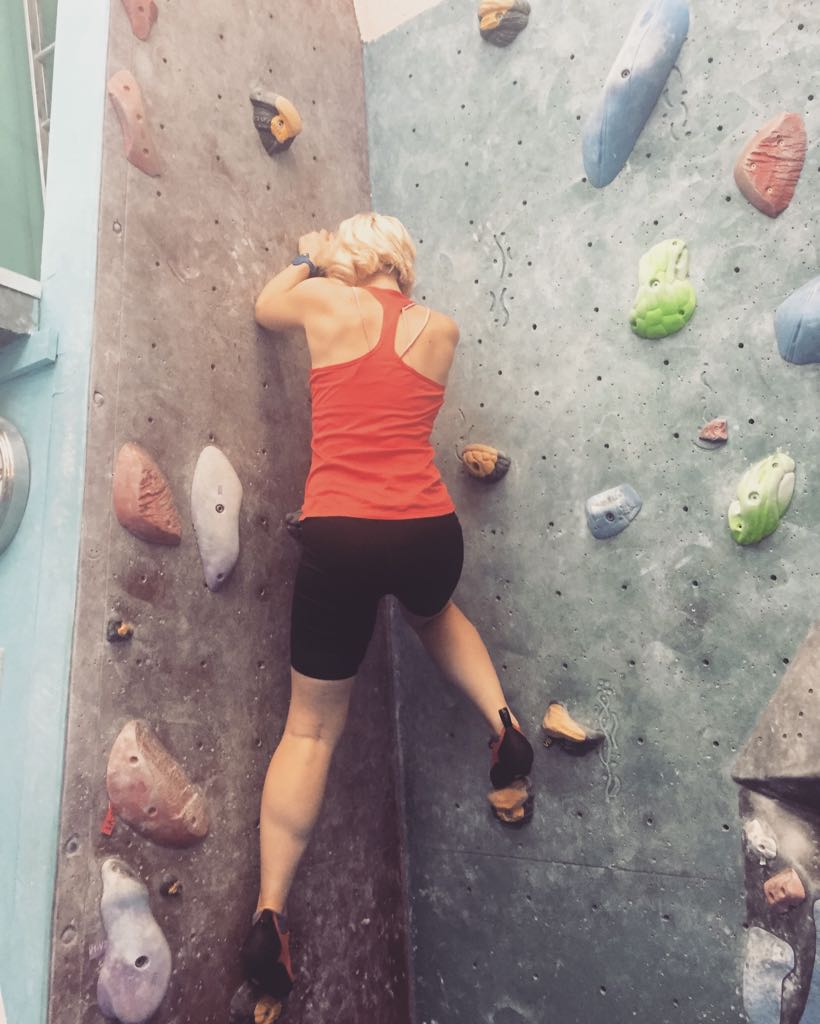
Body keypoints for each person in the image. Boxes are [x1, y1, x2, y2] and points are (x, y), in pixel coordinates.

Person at [241, 212, 534, 1005]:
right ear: (404, 263)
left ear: (350, 258)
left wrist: (305, 257)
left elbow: (266, 307)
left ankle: (270, 914)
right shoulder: (442, 328)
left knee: (309, 730)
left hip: (343, 532)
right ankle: (503, 725)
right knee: (436, 616)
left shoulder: (324, 304)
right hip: (427, 530)